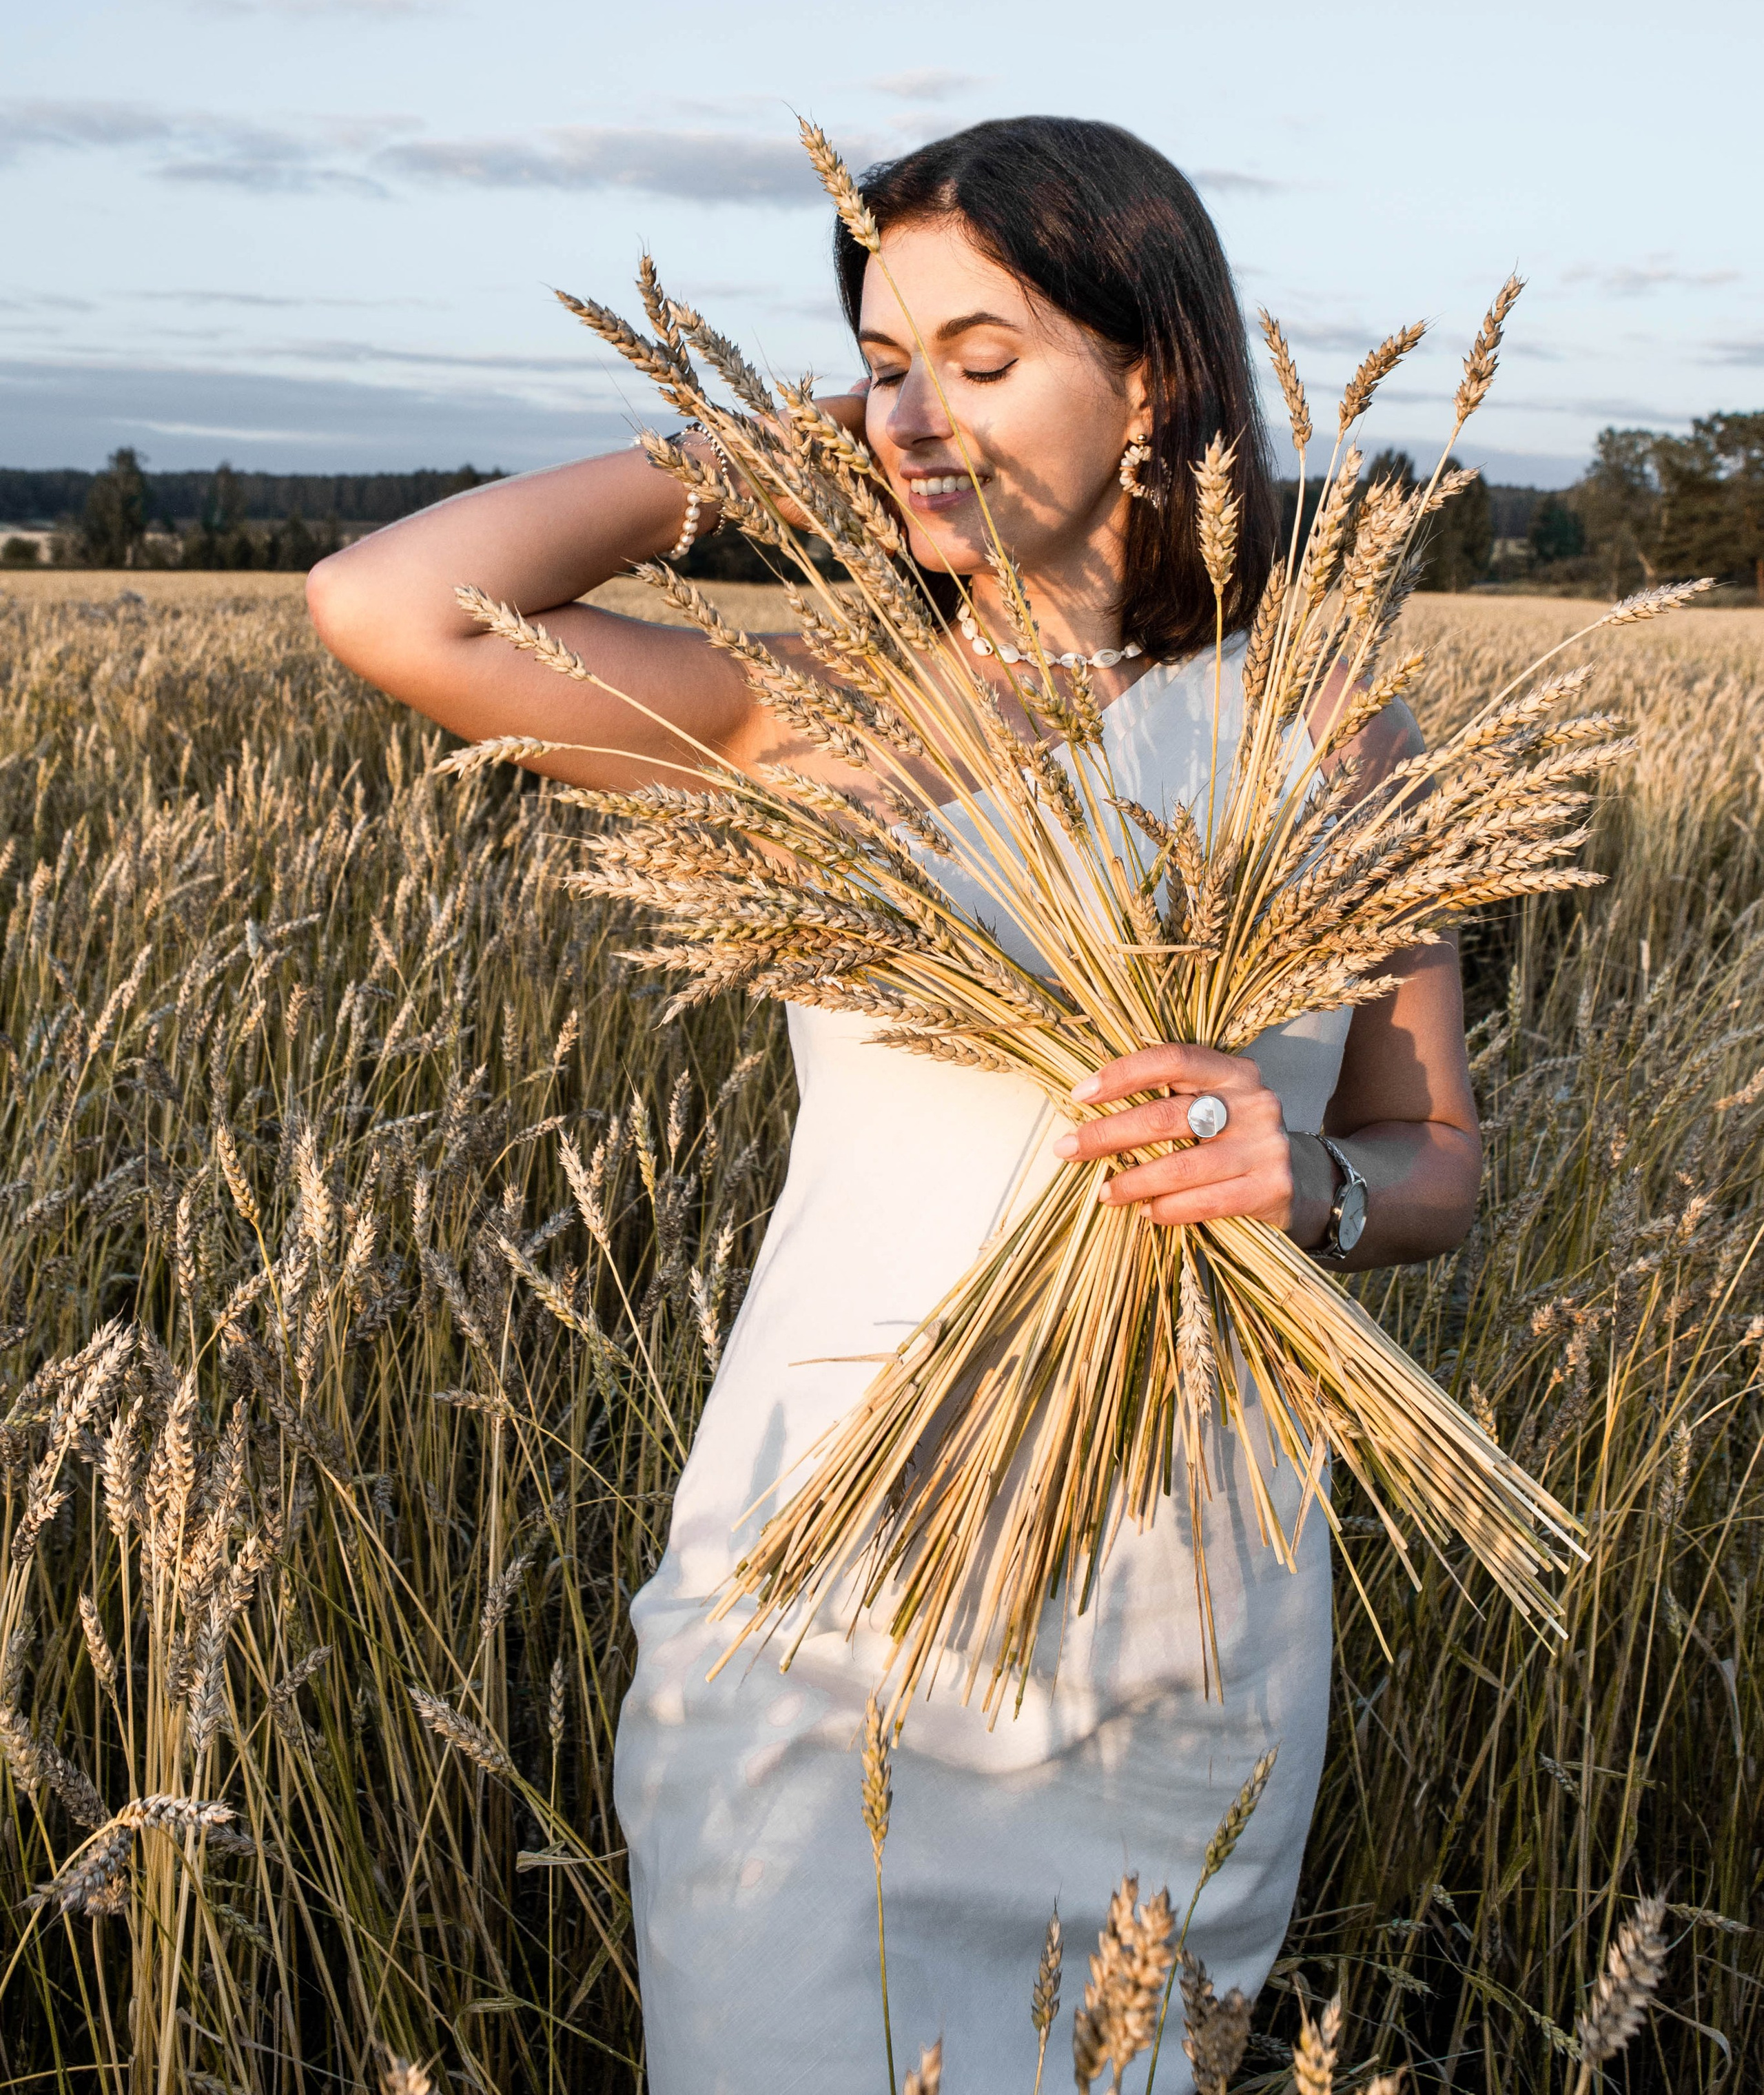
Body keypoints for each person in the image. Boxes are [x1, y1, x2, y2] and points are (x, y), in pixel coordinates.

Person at [307, 117, 1480, 2092]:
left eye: (986, 357)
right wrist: (750, 455)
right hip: (817, 1596)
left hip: (1174, 1604)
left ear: (1157, 377)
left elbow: (1436, 1160)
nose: (918, 411)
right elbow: (387, 606)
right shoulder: (821, 718)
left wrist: (1313, 1189)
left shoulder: (1336, 732)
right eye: (881, 357)